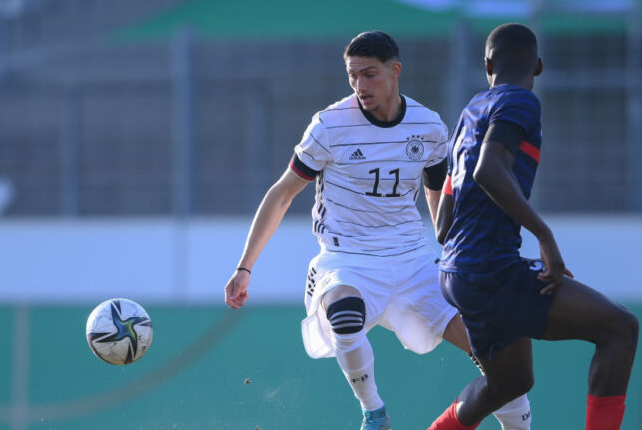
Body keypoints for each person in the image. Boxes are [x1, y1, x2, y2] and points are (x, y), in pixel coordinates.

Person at [224, 31, 532, 430]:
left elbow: (440, 202)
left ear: (395, 71)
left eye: (369, 74)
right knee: (344, 313)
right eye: (353, 76)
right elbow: (282, 194)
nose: (360, 86)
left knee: (496, 356)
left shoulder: (428, 126)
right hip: (346, 260)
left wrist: (459, 258)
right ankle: (374, 413)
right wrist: (245, 267)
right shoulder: (330, 125)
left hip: (413, 261)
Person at [428, 23, 639, 430]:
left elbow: (442, 226)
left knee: (511, 382)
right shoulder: (521, 101)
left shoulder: (470, 112)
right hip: (488, 271)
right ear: (537, 66)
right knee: (620, 329)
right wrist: (546, 238)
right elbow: (490, 170)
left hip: (455, 273)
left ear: (487, 64)